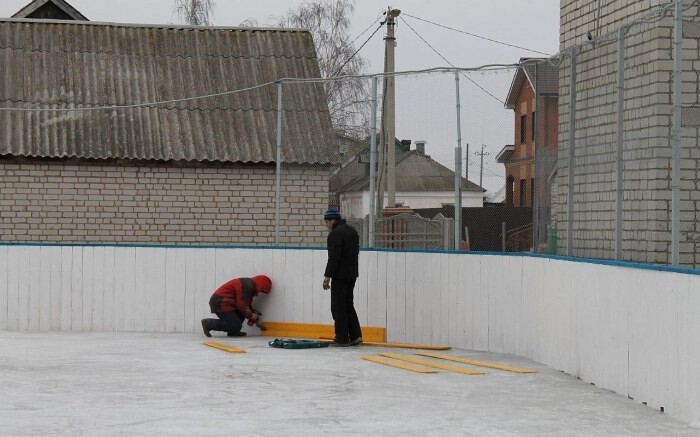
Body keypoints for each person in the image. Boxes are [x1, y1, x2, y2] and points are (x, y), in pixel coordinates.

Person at [322, 208, 362, 347]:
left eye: (327, 221)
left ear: (333, 220)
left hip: (340, 275)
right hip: (352, 274)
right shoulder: (352, 231)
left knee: (338, 307)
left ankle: (342, 337)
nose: (326, 224)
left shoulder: (335, 234)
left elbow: (334, 257)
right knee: (348, 305)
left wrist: (327, 276)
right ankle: (356, 335)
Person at [201, 275, 271, 337]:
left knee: (241, 314)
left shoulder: (248, 284)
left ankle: (233, 331)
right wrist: (253, 316)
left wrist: (253, 313)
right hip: (220, 302)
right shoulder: (247, 285)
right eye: (261, 290)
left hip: (223, 302)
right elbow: (242, 306)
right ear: (260, 285)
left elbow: (245, 304)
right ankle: (208, 324)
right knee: (235, 325)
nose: (259, 292)